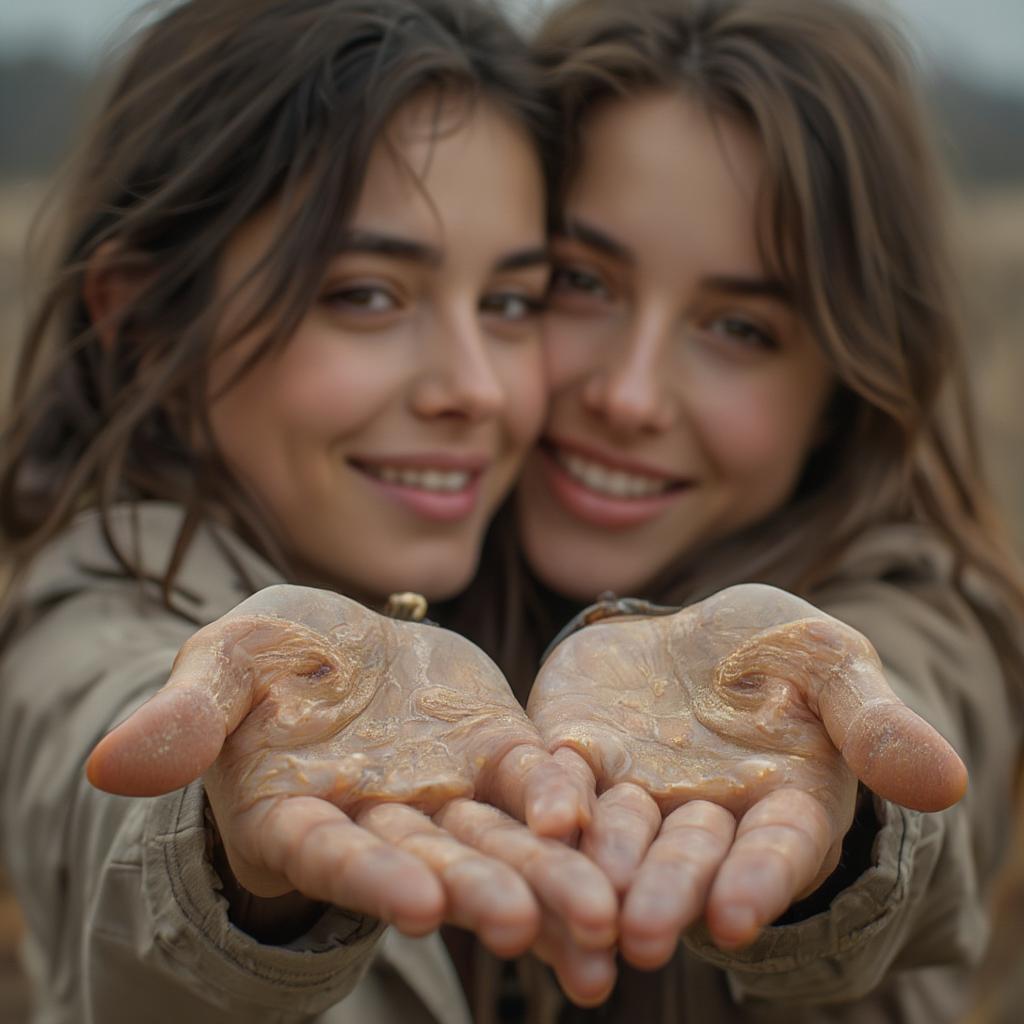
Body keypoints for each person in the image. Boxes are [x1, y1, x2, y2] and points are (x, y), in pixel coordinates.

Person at [0, 1, 623, 1021]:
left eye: (510, 302)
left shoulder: (530, 604)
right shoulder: (93, 607)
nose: (475, 387)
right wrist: (228, 856)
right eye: (367, 295)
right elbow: (108, 735)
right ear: (148, 321)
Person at [464, 0, 1024, 1019]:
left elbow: (919, 689)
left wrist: (832, 799)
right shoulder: (361, 565)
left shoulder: (932, 610)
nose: (628, 395)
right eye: (581, 279)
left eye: (737, 327)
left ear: (844, 386)